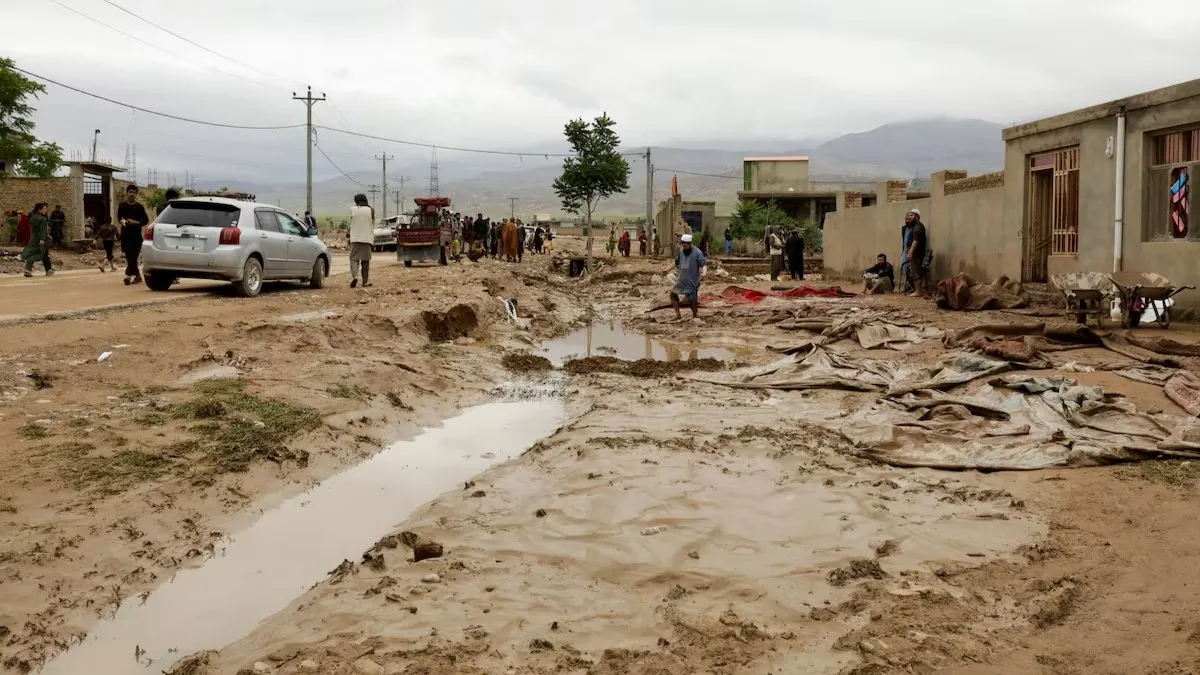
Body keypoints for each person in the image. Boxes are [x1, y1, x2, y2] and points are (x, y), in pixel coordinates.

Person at [117, 185, 149, 285]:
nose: (132, 194)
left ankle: (128, 275)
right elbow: (119, 217)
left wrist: (135, 222)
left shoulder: (139, 207)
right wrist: (123, 222)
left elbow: (145, 221)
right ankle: (138, 276)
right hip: (125, 235)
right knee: (128, 256)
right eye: (130, 192)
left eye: (134, 192)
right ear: (127, 193)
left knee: (133, 257)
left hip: (136, 236)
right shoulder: (122, 205)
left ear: (136, 194)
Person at [671, 233, 708, 320]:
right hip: (681, 280)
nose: (684, 248)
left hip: (692, 281)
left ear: (690, 244)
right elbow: (676, 262)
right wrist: (666, 269)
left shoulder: (698, 253)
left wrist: (704, 273)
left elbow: (703, 265)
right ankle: (677, 314)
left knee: (692, 301)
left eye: (686, 246)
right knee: (673, 294)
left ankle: (695, 315)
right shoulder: (681, 251)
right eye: (683, 246)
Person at [348, 193, 374, 288]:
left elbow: (350, 223)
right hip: (367, 238)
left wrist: (349, 234)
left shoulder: (353, 209)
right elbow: (372, 223)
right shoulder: (371, 210)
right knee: (365, 261)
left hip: (355, 238)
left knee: (354, 259)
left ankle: (355, 276)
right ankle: (365, 281)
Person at [21, 203, 53, 277]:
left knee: (33, 253)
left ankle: (28, 269)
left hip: (33, 239)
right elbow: (42, 230)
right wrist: (42, 238)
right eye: (44, 209)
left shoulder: (32, 218)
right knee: (43, 253)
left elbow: (35, 230)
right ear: (39, 210)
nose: (46, 210)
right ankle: (48, 270)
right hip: (41, 239)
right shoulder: (43, 219)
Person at [905, 209, 928, 297]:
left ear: (917, 217)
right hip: (916, 253)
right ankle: (917, 291)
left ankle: (918, 292)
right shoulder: (915, 226)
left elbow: (915, 241)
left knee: (916, 272)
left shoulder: (917, 227)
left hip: (917, 253)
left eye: (911, 215)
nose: (909, 217)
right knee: (915, 271)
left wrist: (910, 252)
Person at [900, 215, 914, 293]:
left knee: (911, 269)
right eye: (906, 219)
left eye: (909, 219)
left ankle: (912, 287)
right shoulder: (904, 228)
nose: (907, 221)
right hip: (905, 251)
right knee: (905, 269)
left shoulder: (914, 229)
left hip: (911, 251)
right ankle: (908, 286)